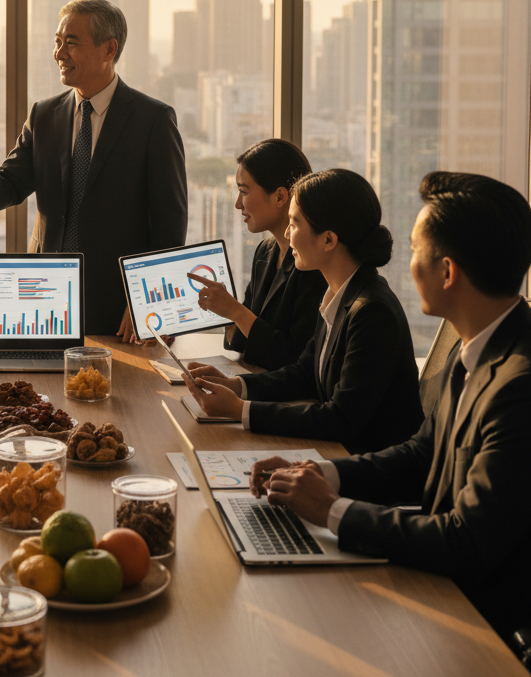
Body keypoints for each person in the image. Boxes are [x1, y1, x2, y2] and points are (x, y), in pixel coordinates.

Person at [251, 172, 531, 645]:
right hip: (439, 590)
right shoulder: (475, 354)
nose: (407, 267)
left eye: (417, 251)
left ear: (447, 272)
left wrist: (331, 510)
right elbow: (422, 454)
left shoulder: (518, 387)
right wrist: (322, 475)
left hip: (480, 630)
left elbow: (467, 542)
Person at [0, 0, 187, 338]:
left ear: (108, 49)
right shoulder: (44, 115)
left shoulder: (152, 120)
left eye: (71, 42)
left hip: (120, 305)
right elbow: (11, 180)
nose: (59, 53)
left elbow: (170, 221)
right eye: (57, 42)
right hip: (45, 296)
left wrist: (150, 301)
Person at [189, 168, 423, 454]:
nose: (287, 234)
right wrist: (236, 386)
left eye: (294, 224)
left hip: (364, 468)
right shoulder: (338, 294)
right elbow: (305, 372)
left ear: (328, 240)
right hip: (334, 452)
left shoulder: (372, 312)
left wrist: (241, 410)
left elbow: (340, 419)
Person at [194, 138, 326, 368]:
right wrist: (225, 312)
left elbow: (297, 357)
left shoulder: (313, 263)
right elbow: (247, 339)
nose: (237, 204)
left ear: (280, 196)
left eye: (243, 191)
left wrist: (235, 310)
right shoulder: (265, 252)